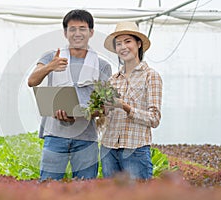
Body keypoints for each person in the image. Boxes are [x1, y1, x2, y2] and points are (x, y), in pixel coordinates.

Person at [27, 9, 112, 181]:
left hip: (86, 138)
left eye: (82, 28)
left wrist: (80, 114)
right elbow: (32, 81)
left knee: (85, 189)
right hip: (55, 136)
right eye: (72, 29)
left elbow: (105, 106)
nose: (77, 33)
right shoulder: (52, 57)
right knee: (48, 186)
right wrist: (50, 66)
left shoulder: (102, 65)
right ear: (65, 33)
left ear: (91, 32)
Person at [100, 21, 163, 180]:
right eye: (118, 44)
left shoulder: (151, 76)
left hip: (135, 150)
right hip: (108, 149)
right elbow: (105, 117)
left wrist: (126, 107)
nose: (123, 47)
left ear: (139, 44)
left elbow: (154, 119)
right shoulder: (113, 80)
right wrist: (100, 110)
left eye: (127, 41)